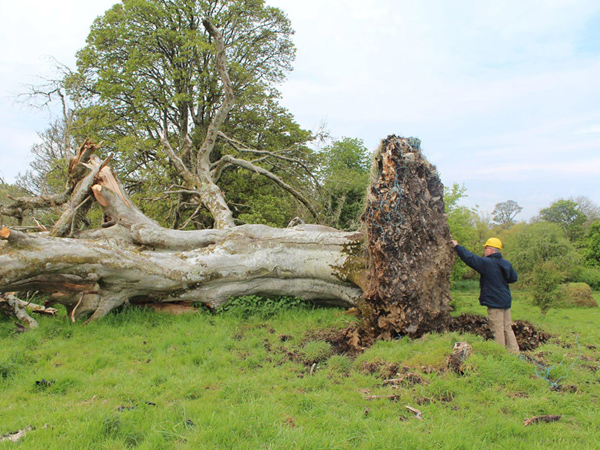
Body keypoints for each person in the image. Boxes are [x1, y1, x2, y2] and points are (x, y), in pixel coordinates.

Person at [450, 237, 520, 354]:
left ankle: (500, 355)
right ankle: (514, 352)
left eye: (486, 248)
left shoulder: (487, 263)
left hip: (495, 302)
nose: (484, 251)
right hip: (505, 301)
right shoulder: (506, 263)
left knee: (497, 329)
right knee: (507, 328)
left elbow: (470, 258)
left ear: (491, 250)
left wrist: (457, 246)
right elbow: (513, 278)